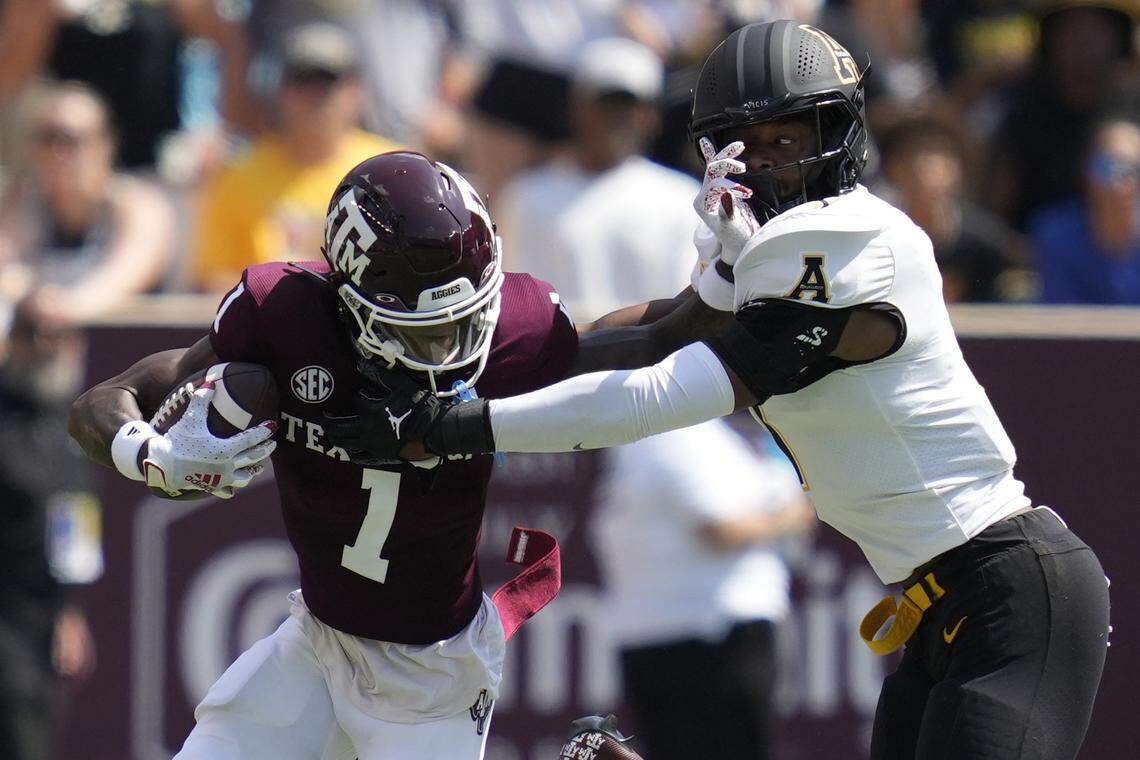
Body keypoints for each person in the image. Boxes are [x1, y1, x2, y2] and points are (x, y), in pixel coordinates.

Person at [347, 21, 1112, 760]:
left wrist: (454, 426)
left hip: (1010, 590)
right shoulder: (766, 248)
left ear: (835, 136)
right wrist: (480, 364)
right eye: (754, 145)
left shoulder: (849, 240)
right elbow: (659, 332)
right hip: (944, 605)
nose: (772, 163)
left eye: (790, 140)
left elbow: (654, 396)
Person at [69, 152, 585, 759]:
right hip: (319, 643)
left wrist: (714, 302)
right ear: (352, 298)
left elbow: (639, 352)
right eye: (420, 327)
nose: (447, 346)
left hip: (435, 676)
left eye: (461, 320)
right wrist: (147, 453)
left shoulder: (508, 328)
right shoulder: (285, 312)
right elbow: (99, 403)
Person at [596, 419, 812, 760]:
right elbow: (717, 528)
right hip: (706, 641)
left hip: (702, 637)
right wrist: (791, 516)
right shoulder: (676, 432)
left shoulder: (718, 436)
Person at [498, 37, 699, 319]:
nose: (618, 119)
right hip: (562, 359)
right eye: (607, 106)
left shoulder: (683, 200)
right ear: (576, 108)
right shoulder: (526, 196)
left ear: (651, 116)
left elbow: (686, 308)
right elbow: (516, 308)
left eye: (629, 107)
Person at [192, 22, 397, 292]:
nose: (315, 98)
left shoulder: (390, 171)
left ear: (355, 91)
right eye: (303, 82)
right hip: (269, 327)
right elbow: (215, 277)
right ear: (281, 92)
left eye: (328, 84)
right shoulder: (239, 176)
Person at [878, 117, 1032, 303]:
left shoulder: (984, 239)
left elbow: (1020, 278)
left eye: (937, 156)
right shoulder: (880, 240)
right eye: (914, 156)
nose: (925, 168)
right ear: (892, 169)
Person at [1030, 114, 1140, 304]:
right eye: (1108, 168)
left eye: (1130, 170)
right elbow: (1061, 321)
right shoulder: (1054, 236)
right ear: (1087, 171)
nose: (1118, 183)